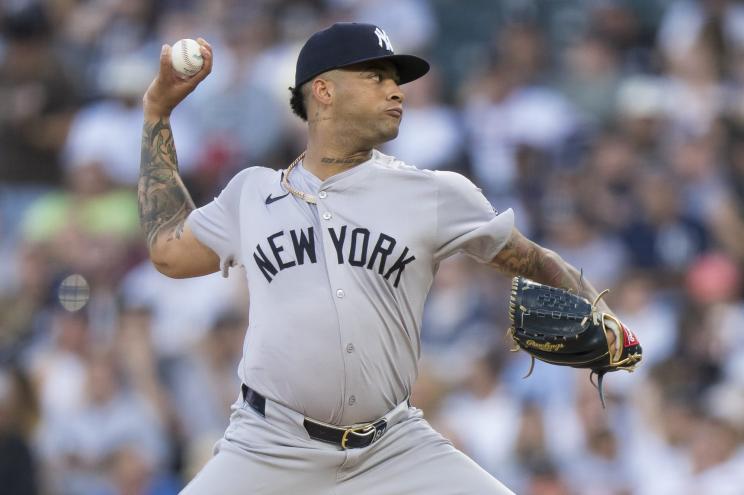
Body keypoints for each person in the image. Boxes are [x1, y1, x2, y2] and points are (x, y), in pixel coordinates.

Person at [138, 22, 625, 495]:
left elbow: (533, 260)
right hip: (269, 446)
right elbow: (167, 251)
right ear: (323, 91)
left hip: (392, 446)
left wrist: (599, 310)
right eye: (377, 77)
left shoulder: (433, 193)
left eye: (398, 80)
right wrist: (157, 111)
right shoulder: (252, 193)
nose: (397, 91)